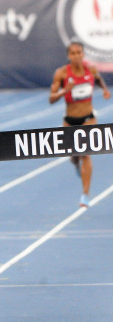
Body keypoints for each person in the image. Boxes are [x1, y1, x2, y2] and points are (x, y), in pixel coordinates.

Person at [49, 40, 111, 207]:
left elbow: (97, 79)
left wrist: (104, 89)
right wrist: (64, 91)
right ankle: (75, 161)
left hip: (88, 118)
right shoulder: (61, 74)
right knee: (74, 156)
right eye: (73, 53)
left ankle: (85, 194)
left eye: (79, 52)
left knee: (86, 153)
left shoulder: (90, 69)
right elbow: (51, 99)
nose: (76, 56)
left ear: (83, 54)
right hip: (70, 120)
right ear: (68, 56)